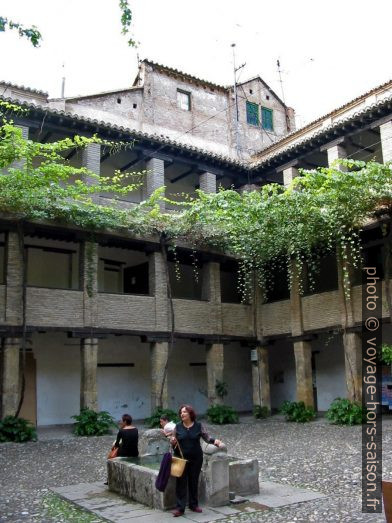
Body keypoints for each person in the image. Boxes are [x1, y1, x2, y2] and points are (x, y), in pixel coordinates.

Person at [170, 404, 223, 517]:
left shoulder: (198, 426)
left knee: (194, 481)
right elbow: (173, 441)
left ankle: (193, 505)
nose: (182, 414)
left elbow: (207, 437)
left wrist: (215, 441)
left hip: (196, 458)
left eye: (184, 412)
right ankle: (180, 508)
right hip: (181, 459)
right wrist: (173, 441)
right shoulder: (178, 427)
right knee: (181, 483)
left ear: (190, 414)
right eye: (181, 412)